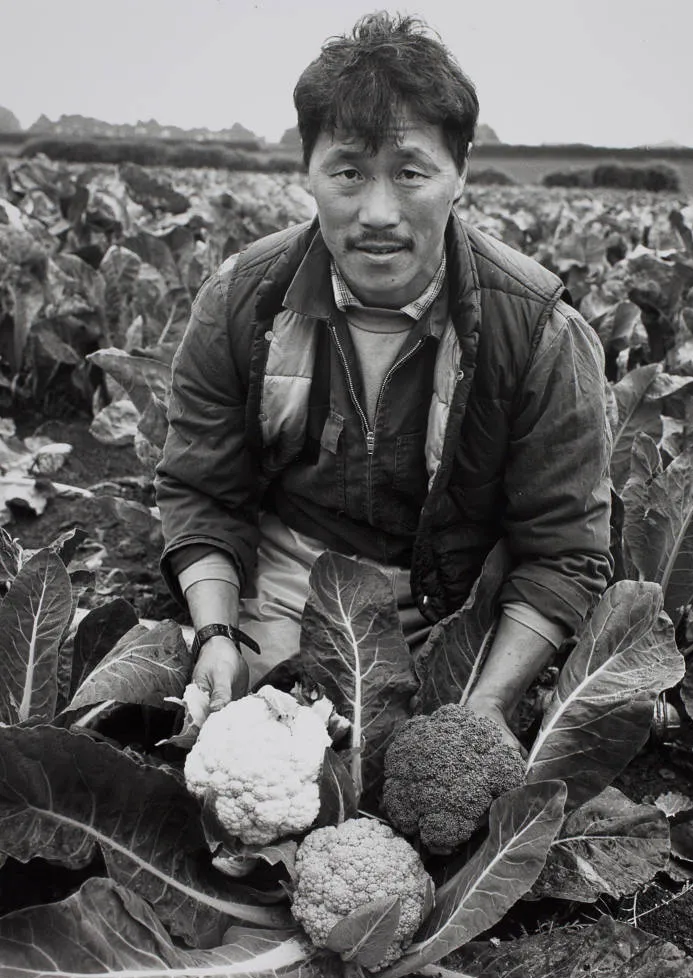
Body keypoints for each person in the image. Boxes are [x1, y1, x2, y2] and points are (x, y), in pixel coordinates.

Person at [155, 12, 612, 750]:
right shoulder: (240, 300)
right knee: (224, 762)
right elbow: (202, 491)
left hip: (453, 611)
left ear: (459, 172)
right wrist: (214, 632)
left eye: (409, 172)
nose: (377, 213)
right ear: (307, 172)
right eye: (348, 172)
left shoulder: (538, 333)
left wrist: (481, 711)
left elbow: (563, 550)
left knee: (426, 793)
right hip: (284, 585)